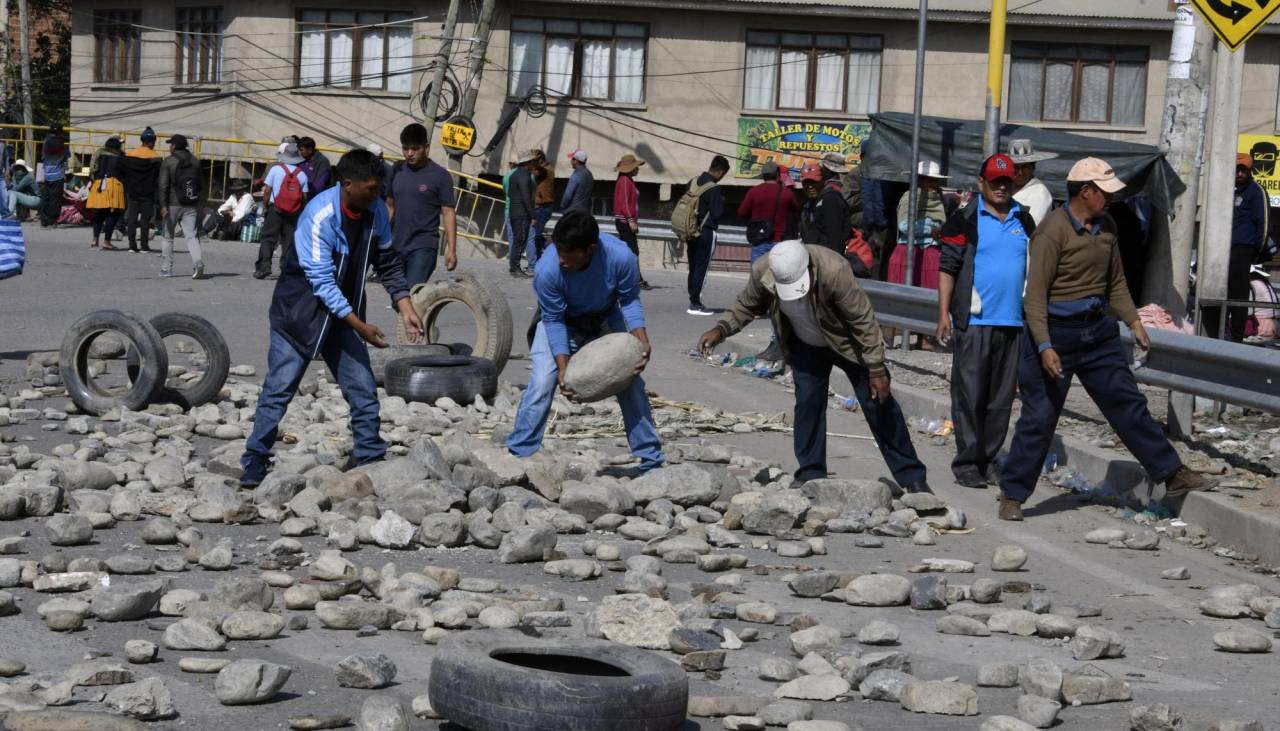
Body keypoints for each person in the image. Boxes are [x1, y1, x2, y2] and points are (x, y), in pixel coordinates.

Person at [997, 157, 1212, 521]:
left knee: (1128, 405)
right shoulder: (1052, 231)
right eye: (1104, 192)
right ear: (1085, 192)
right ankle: (1013, 495)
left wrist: (1133, 320)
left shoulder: (1108, 226)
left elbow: (1115, 283)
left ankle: (1172, 474)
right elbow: (1034, 297)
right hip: (1055, 335)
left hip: (1098, 333)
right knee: (1040, 418)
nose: (1110, 199)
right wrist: (1045, 346)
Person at [240, 149, 424, 486]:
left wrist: (407, 307)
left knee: (364, 391)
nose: (377, 195)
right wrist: (361, 327)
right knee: (278, 391)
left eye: (379, 188)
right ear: (347, 184)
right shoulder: (319, 214)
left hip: (344, 316)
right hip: (299, 315)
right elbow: (322, 283)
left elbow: (388, 264)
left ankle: (369, 455)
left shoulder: (376, 210)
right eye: (370, 189)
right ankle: (254, 459)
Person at [699, 240, 931, 493]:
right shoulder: (764, 270)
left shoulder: (834, 270)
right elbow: (747, 305)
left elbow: (863, 320)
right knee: (808, 404)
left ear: (809, 267)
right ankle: (811, 473)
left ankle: (912, 478)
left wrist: (875, 367)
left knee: (879, 404)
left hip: (849, 344)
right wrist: (721, 329)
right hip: (805, 343)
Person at [506, 210, 663, 471]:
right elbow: (554, 320)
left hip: (603, 316)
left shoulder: (621, 257)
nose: (561, 259)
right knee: (543, 380)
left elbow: (630, 301)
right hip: (559, 319)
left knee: (632, 382)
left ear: (589, 249)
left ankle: (650, 459)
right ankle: (520, 455)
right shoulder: (548, 269)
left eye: (567, 253)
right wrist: (565, 369)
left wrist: (642, 343)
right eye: (558, 250)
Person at [936, 154, 1037, 488]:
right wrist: (944, 315)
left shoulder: (1025, 219)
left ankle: (991, 460)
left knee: (999, 398)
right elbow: (948, 268)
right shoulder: (963, 219)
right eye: (995, 182)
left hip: (1012, 323)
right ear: (982, 183)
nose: (1001, 187)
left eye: (1006, 182)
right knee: (969, 395)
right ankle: (967, 463)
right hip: (974, 321)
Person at [386, 122, 458, 289]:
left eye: (414, 148)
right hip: (397, 244)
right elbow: (389, 207)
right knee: (399, 297)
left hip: (423, 245)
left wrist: (451, 250)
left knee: (412, 294)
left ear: (426, 147)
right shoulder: (396, 170)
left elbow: (448, 213)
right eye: (405, 148)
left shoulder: (440, 176)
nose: (409, 153)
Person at [1207, 153, 1269, 341]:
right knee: (1218, 289)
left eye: (1243, 170)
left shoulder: (1256, 191)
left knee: (1238, 292)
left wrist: (1256, 253)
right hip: (1221, 247)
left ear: (1250, 171)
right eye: (1237, 170)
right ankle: (1217, 332)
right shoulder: (1228, 191)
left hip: (1243, 248)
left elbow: (1264, 225)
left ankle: (1237, 334)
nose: (1239, 174)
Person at [254, 141, 310, 279]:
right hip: (293, 212)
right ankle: (286, 268)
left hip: (275, 209)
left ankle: (264, 267)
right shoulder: (302, 175)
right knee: (288, 241)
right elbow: (304, 197)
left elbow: (267, 191)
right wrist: (300, 211)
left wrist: (266, 206)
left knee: (268, 238)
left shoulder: (275, 170)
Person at [156, 134, 206, 279]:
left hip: (172, 204)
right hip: (191, 204)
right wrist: (200, 205)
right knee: (191, 236)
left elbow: (163, 185)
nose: (169, 146)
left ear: (175, 146)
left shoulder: (169, 161)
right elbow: (201, 185)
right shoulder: (195, 161)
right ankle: (198, 263)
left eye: (170, 144)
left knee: (167, 237)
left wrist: (163, 205)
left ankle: (166, 269)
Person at [686, 155, 730, 316]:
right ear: (721, 172)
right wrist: (722, 201)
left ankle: (692, 298)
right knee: (701, 268)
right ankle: (695, 304)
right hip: (706, 231)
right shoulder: (714, 188)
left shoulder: (693, 181)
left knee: (692, 266)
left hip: (689, 230)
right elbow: (717, 213)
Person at [612, 153, 650, 290]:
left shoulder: (627, 180)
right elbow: (625, 204)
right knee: (633, 251)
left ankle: (622, 278)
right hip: (625, 222)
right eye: (636, 167)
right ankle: (636, 280)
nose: (638, 169)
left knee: (626, 251)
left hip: (624, 221)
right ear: (630, 168)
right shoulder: (625, 181)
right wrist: (631, 221)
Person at [121, 127, 161, 253]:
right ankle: (144, 246)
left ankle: (132, 246)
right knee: (145, 220)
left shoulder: (130, 155)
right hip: (148, 193)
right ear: (152, 142)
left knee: (132, 219)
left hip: (132, 192)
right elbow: (158, 177)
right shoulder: (156, 158)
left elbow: (124, 173)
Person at [86, 136, 127, 250]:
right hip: (113, 186)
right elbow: (125, 174)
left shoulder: (98, 155)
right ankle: (107, 242)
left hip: (98, 185)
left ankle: (95, 240)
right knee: (111, 214)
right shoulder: (121, 157)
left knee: (98, 214)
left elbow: (92, 171)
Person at [1008, 138, 1057, 226]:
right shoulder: (1005, 186)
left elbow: (1031, 227)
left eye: (1025, 167)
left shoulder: (1039, 193)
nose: (1020, 172)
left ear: (1033, 167)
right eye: (1016, 167)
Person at [811, 152, 852, 255]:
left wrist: (832, 258)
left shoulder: (831, 197)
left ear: (826, 170)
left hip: (830, 255)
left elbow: (834, 234)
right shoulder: (835, 191)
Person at [507, 149, 538, 277]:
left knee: (517, 240)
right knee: (520, 241)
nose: (534, 164)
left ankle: (513, 267)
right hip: (521, 214)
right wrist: (533, 216)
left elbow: (510, 193)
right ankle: (515, 268)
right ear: (528, 162)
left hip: (514, 212)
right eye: (533, 162)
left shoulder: (514, 174)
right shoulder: (525, 176)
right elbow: (526, 197)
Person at [39, 126, 68, 227]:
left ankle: (44, 220)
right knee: (55, 199)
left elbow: (43, 157)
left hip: (47, 174)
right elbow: (65, 157)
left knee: (46, 197)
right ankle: (53, 220)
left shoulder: (46, 142)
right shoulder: (62, 143)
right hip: (58, 175)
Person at [530, 149, 555, 260]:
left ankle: (539, 259)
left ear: (540, 159)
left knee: (535, 236)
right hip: (541, 207)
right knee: (536, 235)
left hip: (542, 208)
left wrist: (531, 163)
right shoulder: (545, 168)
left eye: (535, 160)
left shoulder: (546, 170)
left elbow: (537, 172)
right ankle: (543, 254)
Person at [1246, 264, 1278, 343]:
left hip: (1261, 326)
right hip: (1275, 324)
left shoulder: (1252, 284)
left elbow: (1247, 311)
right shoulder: (1265, 283)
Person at [561, 149, 594, 215]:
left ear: (576, 161)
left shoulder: (576, 175)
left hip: (573, 211)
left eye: (572, 159)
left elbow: (567, 195)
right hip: (585, 211)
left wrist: (562, 206)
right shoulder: (589, 174)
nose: (571, 161)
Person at [797, 163, 824, 245]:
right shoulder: (806, 207)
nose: (810, 186)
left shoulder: (828, 203)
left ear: (822, 181)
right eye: (806, 182)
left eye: (813, 182)